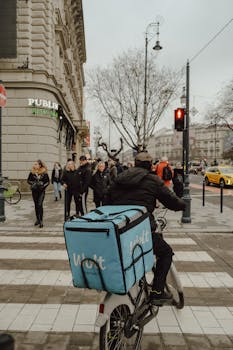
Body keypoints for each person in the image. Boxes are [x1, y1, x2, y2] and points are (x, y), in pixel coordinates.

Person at [106, 151, 185, 305]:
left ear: (135, 164)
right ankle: (157, 292)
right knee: (166, 253)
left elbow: (106, 201)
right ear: (150, 165)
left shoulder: (118, 179)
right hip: (142, 231)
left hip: (120, 230)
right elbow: (171, 201)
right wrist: (182, 204)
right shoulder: (152, 180)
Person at [27, 160, 50, 228]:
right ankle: (37, 219)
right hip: (34, 191)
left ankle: (41, 220)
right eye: (34, 164)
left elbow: (48, 181)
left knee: (40, 205)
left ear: (39, 165)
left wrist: (43, 186)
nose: (34, 165)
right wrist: (33, 183)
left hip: (41, 191)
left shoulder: (44, 172)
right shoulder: (32, 172)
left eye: (36, 164)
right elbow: (28, 180)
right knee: (36, 205)